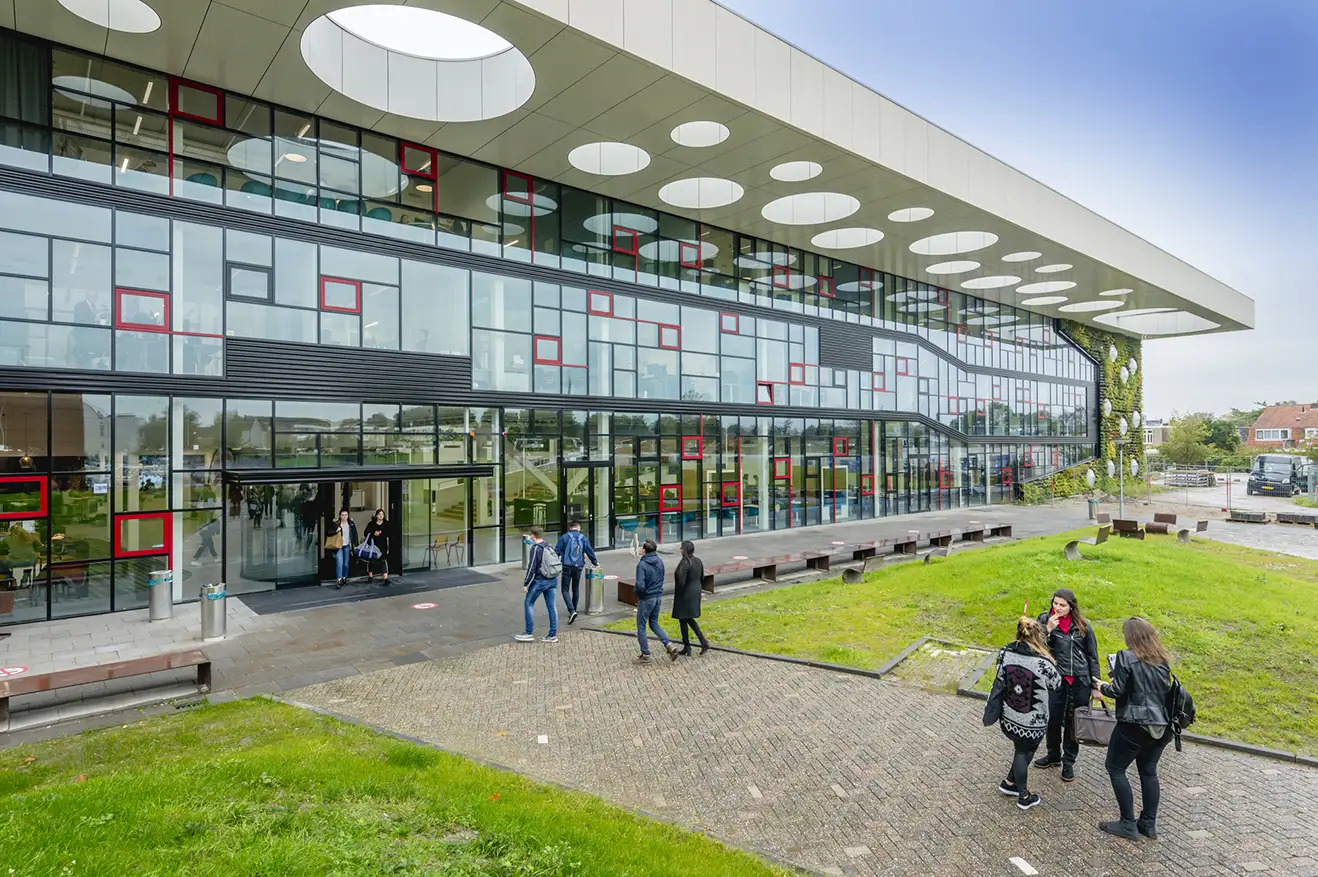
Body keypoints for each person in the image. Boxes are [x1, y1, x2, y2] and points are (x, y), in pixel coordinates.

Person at [1095, 617, 1175, 841]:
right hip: (1162, 726)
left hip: (1134, 725)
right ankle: (1148, 824)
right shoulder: (1162, 660)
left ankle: (1127, 823)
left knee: (1115, 768)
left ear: (1130, 637)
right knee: (1148, 770)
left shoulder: (1126, 656)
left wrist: (1103, 686)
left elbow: (1117, 690)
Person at [991, 616, 1062, 810]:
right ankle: (1023, 795)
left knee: (1020, 749)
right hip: (1032, 719)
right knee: (1024, 751)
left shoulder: (1005, 652)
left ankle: (1010, 783)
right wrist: (1050, 661)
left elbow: (999, 673)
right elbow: (1056, 683)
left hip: (1009, 713)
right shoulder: (1042, 662)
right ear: (1038, 636)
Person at [1034, 587, 1100, 782]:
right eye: (1055, 603)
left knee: (1073, 721)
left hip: (1079, 680)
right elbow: (1036, 647)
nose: (1058, 608)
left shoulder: (1083, 625)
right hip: (1056, 678)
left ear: (1071, 607)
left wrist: (1096, 685)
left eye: (1062, 605)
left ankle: (1068, 761)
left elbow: (1092, 656)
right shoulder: (1045, 620)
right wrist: (1048, 630)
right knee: (1053, 718)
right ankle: (1053, 755)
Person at [633, 539, 680, 664]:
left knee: (641, 626)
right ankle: (669, 645)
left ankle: (645, 654)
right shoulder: (659, 561)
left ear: (644, 550)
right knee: (654, 624)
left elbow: (640, 585)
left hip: (646, 598)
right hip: (658, 596)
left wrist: (637, 593)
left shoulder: (642, 565)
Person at [515, 526, 559, 644]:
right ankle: (552, 635)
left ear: (533, 536)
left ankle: (529, 633)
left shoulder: (535, 549)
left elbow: (532, 567)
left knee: (528, 603)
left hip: (540, 581)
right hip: (553, 579)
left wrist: (526, 583)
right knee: (552, 607)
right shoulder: (548, 546)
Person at [554, 520, 598, 624]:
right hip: (578, 566)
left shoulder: (564, 537)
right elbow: (589, 551)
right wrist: (595, 562)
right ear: (579, 528)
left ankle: (572, 610)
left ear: (570, 528)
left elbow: (557, 551)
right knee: (575, 588)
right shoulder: (583, 538)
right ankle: (574, 610)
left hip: (566, 566)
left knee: (565, 589)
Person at [672, 540, 709, 656]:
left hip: (685, 594)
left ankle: (702, 642)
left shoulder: (685, 563)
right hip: (695, 592)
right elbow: (702, 576)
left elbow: (681, 581)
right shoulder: (698, 561)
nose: (680, 550)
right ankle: (688, 645)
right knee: (684, 619)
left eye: (682, 548)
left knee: (686, 618)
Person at [326, 509, 357, 589]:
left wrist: (355, 544)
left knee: (345, 563)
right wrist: (336, 530)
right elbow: (329, 532)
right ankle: (339, 580)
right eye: (342, 515)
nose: (344, 517)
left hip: (347, 546)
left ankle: (344, 577)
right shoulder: (336, 524)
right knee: (339, 563)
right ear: (340, 516)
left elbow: (354, 534)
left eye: (346, 515)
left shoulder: (351, 524)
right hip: (338, 546)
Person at [361, 508, 391, 584]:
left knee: (383, 560)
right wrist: (374, 533)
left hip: (382, 544)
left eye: (382, 514)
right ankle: (370, 576)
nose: (381, 516)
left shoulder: (386, 524)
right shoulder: (371, 524)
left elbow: (389, 533)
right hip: (373, 544)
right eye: (379, 514)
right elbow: (366, 532)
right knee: (371, 560)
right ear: (376, 515)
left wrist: (381, 534)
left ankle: (385, 578)